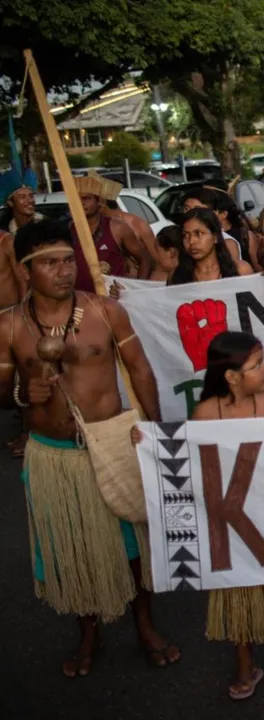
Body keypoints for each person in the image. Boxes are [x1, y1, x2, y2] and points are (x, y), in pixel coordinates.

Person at [0, 219, 178, 677]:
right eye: (49, 263)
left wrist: (154, 431)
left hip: (114, 440)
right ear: (25, 271)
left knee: (133, 544)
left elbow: (139, 371)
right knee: (70, 549)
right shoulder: (10, 326)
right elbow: (2, 394)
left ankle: (144, 624)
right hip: (54, 455)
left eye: (67, 260)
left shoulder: (104, 311)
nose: (63, 271)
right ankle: (89, 633)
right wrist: (24, 393)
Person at [172, 331, 264, 699]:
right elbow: (189, 462)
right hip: (229, 518)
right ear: (231, 376)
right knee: (237, 589)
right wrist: (147, 444)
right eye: (256, 365)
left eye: (263, 362)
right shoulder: (204, 414)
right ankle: (245, 662)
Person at [69, 176, 153, 290]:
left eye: (86, 198)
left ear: (99, 201)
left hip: (114, 301)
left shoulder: (117, 228)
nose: (81, 203)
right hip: (81, 301)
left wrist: (138, 289)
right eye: (76, 199)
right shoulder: (67, 230)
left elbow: (145, 258)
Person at [92, 175, 160, 277]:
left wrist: (140, 286)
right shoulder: (88, 226)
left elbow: (156, 261)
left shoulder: (137, 224)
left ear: (101, 202)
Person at [169, 208, 254, 285]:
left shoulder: (241, 270)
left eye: (199, 234)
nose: (191, 241)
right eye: (185, 235)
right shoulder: (176, 275)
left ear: (215, 237)